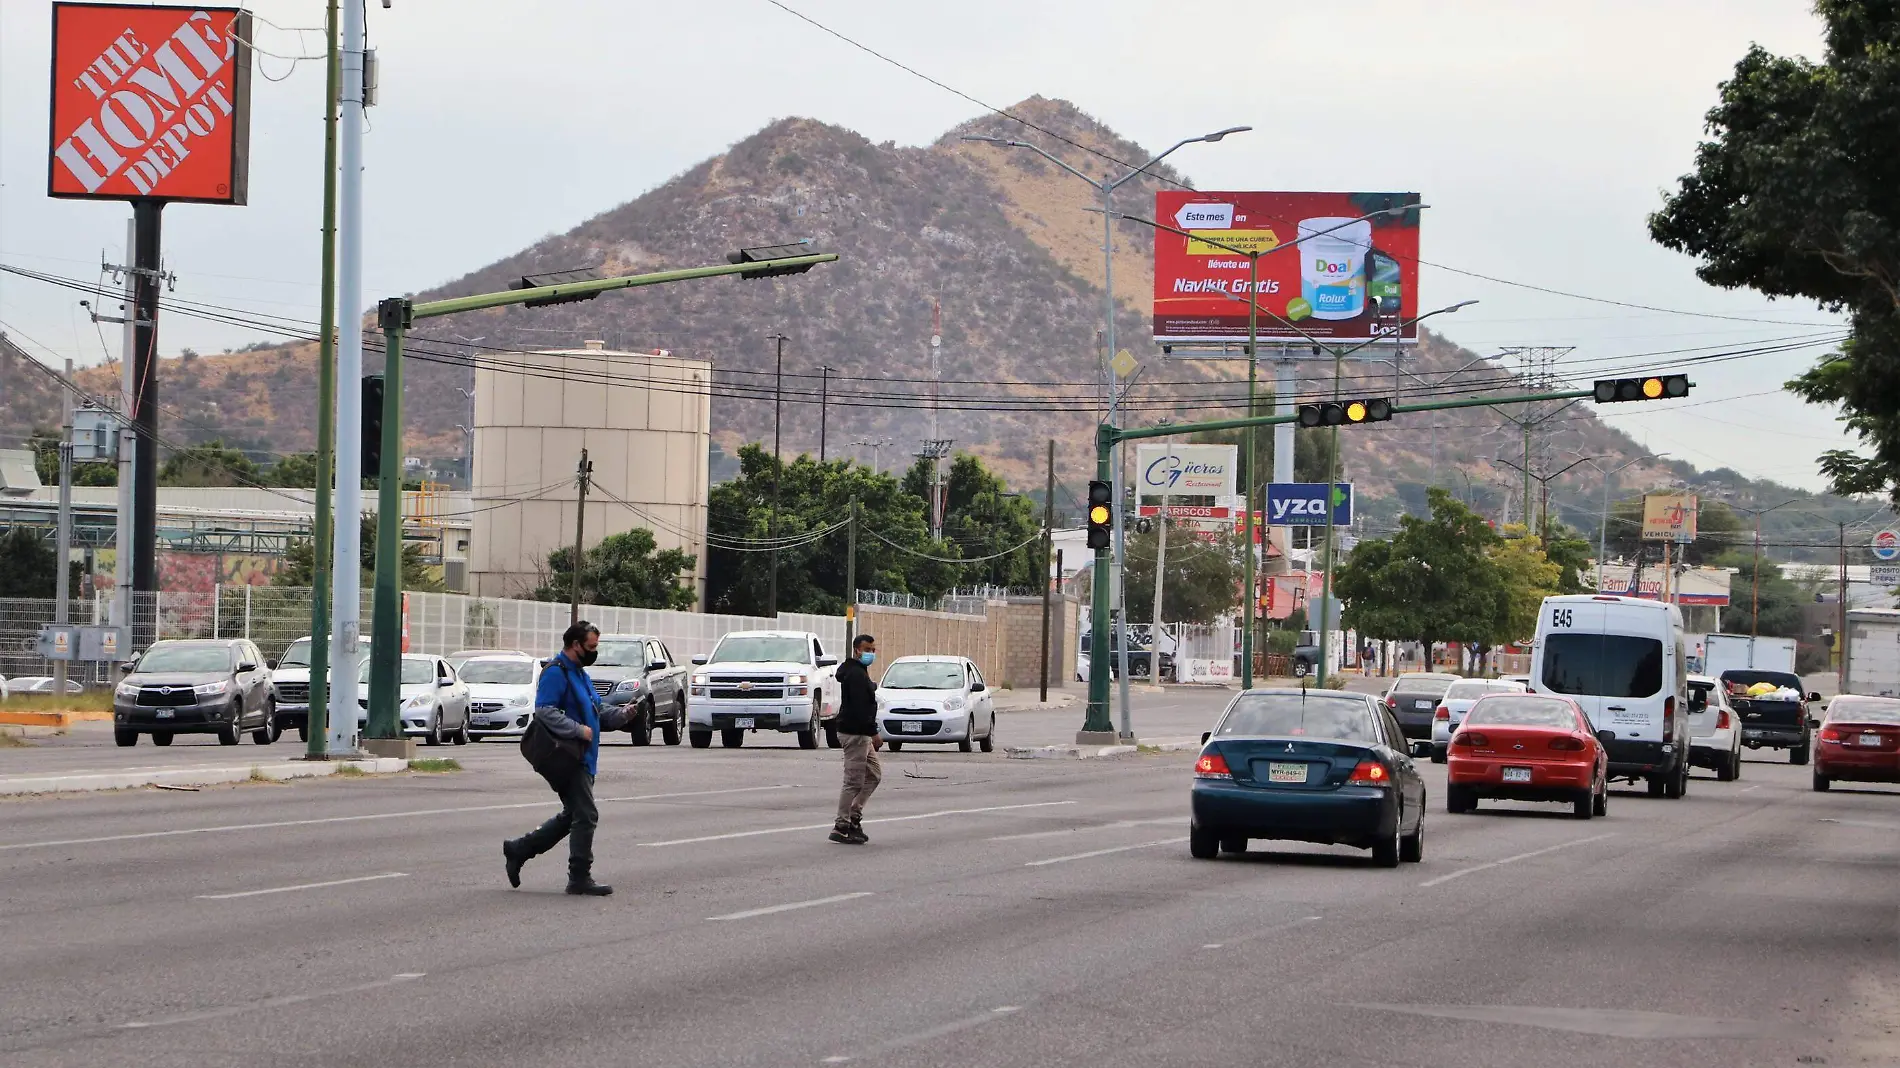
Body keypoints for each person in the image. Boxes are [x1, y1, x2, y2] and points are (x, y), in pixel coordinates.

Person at [503, 621, 631, 896]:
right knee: (585, 815)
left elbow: (596, 709)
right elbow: (544, 711)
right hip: (567, 757)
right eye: (592, 646)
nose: (595, 651)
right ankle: (579, 877)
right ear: (575, 645)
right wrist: (578, 730)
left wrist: (623, 715)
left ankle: (519, 849)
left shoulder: (581, 674)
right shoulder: (556, 673)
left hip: (585, 757)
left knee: (573, 815)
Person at [830, 632, 881, 845]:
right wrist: (874, 732)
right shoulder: (856, 675)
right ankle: (842, 825)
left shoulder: (859, 672)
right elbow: (861, 709)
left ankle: (854, 815)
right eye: (867, 649)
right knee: (853, 781)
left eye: (873, 650)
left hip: (861, 733)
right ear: (857, 650)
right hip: (855, 733)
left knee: (874, 775)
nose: (870, 653)